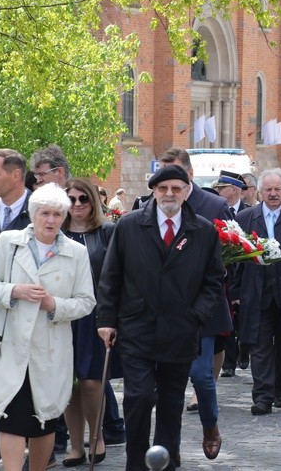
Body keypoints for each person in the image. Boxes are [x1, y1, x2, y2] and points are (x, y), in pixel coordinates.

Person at [96, 165, 225, 471]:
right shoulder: (128, 226)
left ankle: (165, 462)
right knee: (139, 397)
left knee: (171, 401)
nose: (169, 194)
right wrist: (106, 319)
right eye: (163, 188)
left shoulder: (203, 231)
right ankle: (137, 463)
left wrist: (197, 316)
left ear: (185, 191)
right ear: (154, 191)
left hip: (181, 330)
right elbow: (110, 276)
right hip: (136, 327)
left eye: (176, 188)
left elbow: (214, 280)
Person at [0, 183, 96, 471]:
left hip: (51, 351)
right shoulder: (9, 242)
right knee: (11, 419)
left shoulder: (76, 252)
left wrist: (54, 305)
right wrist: (14, 291)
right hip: (13, 348)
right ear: (33, 214)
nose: (51, 221)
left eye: (57, 214)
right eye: (44, 213)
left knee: (44, 420)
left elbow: (86, 302)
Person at [231, 168, 281, 414]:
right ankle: (262, 396)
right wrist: (235, 292)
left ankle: (279, 390)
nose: (274, 194)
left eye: (278, 189)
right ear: (260, 191)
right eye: (269, 189)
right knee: (260, 343)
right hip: (256, 291)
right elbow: (234, 260)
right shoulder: (245, 218)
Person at [59, 179, 119, 466]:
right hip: (62, 315)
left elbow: (117, 275)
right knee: (69, 383)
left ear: (93, 200)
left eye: (83, 198)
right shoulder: (56, 232)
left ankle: (97, 438)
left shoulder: (107, 232)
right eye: (71, 199)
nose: (77, 204)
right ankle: (75, 445)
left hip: (96, 315)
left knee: (92, 382)